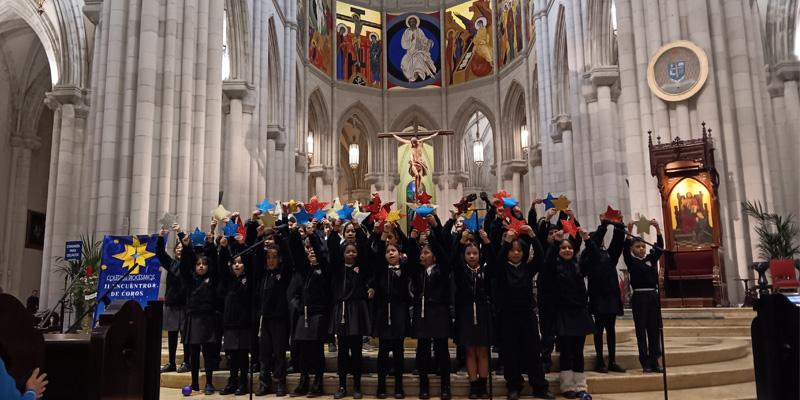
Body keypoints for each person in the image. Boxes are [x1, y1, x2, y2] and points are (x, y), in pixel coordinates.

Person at [493, 227, 554, 400]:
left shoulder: (528, 269)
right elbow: (496, 262)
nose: (515, 253)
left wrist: (533, 236)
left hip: (527, 316)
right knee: (510, 353)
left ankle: (539, 386)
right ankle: (514, 386)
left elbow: (541, 259)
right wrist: (506, 243)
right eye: (512, 250)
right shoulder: (501, 268)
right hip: (507, 316)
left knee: (533, 351)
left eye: (519, 250)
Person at [170, 223, 223, 395]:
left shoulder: (213, 278)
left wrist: (211, 241)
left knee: (207, 354)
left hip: (207, 318)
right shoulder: (190, 279)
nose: (201, 266)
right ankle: (194, 383)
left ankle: (208, 382)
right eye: (198, 264)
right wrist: (183, 240)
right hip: (192, 318)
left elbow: (214, 260)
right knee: (193, 353)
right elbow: (185, 263)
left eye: (204, 264)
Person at [546, 229, 594, 399]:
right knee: (566, 351)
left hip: (579, 312)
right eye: (563, 248)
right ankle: (567, 386)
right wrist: (554, 243)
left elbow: (593, 258)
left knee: (578, 351)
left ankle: (581, 385)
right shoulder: (554, 267)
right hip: (563, 313)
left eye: (569, 248)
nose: (567, 250)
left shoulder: (579, 265)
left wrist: (587, 239)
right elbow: (548, 262)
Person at [328, 220, 373, 399]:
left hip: (356, 309)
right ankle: (341, 385)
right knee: (342, 351)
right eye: (348, 251)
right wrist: (334, 231)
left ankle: (356, 386)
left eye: (354, 251)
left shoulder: (361, 266)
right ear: (343, 253)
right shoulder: (338, 269)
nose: (351, 253)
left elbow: (364, 248)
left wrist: (357, 228)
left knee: (356, 351)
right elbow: (331, 250)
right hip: (342, 309)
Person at [408, 217, 452, 400]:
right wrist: (412, 238)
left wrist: (431, 235)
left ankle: (445, 385)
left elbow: (442, 253)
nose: (422, 255)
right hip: (422, 312)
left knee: (442, 350)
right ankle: (424, 385)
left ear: (433, 256)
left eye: (426, 253)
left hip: (439, 311)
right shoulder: (418, 273)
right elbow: (410, 256)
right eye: (421, 253)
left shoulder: (442, 269)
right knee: (423, 349)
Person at [370, 226, 416, 399]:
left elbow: (411, 252)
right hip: (383, 313)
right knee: (382, 352)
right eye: (388, 251)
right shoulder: (381, 269)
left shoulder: (404, 270)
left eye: (394, 250)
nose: (390, 253)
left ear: (399, 253)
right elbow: (379, 253)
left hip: (399, 313)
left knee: (398, 352)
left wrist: (404, 235)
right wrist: (383, 236)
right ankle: (381, 386)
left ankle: (398, 386)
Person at [254, 219, 295, 397]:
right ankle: (264, 383)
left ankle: (280, 383)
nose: (271, 261)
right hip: (264, 318)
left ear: (279, 259)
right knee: (264, 353)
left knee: (279, 352)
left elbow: (289, 258)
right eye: (268, 258)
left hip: (279, 318)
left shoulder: (282, 274)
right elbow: (254, 258)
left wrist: (281, 238)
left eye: (274, 258)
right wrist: (257, 238)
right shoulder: (262, 275)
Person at [288, 225, 331, 397]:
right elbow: (296, 253)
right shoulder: (305, 270)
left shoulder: (325, 269)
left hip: (318, 314)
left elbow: (320, 254)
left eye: (314, 250)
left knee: (317, 350)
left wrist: (312, 235)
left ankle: (318, 382)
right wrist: (293, 232)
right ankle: (303, 380)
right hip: (303, 315)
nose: (311, 252)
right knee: (303, 350)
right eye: (309, 250)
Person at [453, 229, 493, 399]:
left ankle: (483, 385)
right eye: (468, 253)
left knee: (483, 350)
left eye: (475, 253)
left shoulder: (485, 270)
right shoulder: (461, 271)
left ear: (479, 254)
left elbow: (494, 260)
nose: (471, 256)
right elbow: (454, 259)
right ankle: (474, 385)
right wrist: (461, 241)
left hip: (483, 312)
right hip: (466, 313)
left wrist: (487, 241)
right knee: (470, 350)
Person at [583, 218, 626, 374]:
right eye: (597, 240)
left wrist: (618, 225)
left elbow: (617, 243)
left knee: (611, 330)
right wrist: (603, 226)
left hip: (611, 297)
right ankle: (600, 361)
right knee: (598, 330)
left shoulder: (608, 255)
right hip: (598, 297)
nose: (599, 243)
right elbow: (591, 248)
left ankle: (612, 360)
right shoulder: (588, 255)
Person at [623, 219, 664, 373]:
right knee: (641, 330)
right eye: (637, 247)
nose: (641, 249)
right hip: (639, 298)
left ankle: (655, 360)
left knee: (654, 329)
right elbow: (625, 250)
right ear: (633, 249)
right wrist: (629, 231)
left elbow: (659, 248)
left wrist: (657, 228)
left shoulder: (650, 259)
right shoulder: (631, 261)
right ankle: (645, 361)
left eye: (643, 247)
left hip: (653, 297)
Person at [218, 231, 254, 396]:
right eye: (234, 263)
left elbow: (249, 260)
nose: (237, 265)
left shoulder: (250, 279)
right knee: (231, 354)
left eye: (240, 263)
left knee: (242, 355)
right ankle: (232, 381)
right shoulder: (229, 280)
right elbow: (222, 267)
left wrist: (241, 245)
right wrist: (224, 248)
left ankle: (242, 382)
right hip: (230, 323)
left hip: (244, 323)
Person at [155, 228, 191, 374]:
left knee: (186, 335)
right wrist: (161, 237)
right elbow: (160, 254)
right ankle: (171, 362)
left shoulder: (189, 264)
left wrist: (182, 236)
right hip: (172, 303)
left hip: (185, 304)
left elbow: (189, 253)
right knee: (172, 335)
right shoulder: (171, 264)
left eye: (182, 247)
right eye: (178, 247)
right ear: (175, 250)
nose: (180, 249)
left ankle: (187, 362)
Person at [400, 15, 437, 82]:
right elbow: (403, 43)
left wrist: (429, 42)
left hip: (419, 50)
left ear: (416, 22)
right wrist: (411, 40)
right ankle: (414, 76)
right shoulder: (407, 31)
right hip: (410, 52)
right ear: (409, 23)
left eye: (414, 21)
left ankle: (427, 72)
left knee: (420, 57)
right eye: (411, 22)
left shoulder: (419, 30)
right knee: (407, 63)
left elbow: (424, 39)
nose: (412, 23)